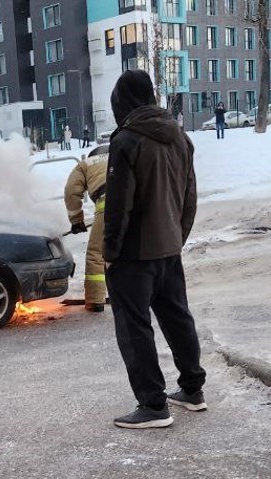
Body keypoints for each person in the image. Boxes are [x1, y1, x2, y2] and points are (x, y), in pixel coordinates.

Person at [103, 69, 206, 430]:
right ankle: (193, 389)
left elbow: (119, 206)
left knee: (135, 328)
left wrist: (111, 252)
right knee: (178, 318)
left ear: (123, 102)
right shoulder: (180, 137)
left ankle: (152, 405)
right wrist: (176, 237)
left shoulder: (127, 140)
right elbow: (189, 197)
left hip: (134, 256)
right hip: (169, 249)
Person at [63, 144, 110, 313]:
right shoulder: (123, 154)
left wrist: (77, 221)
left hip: (109, 206)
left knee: (97, 254)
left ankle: (95, 301)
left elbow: (71, 191)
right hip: (139, 207)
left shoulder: (86, 164)